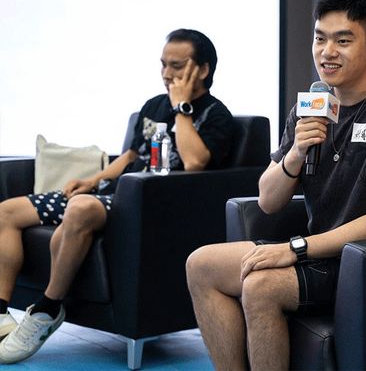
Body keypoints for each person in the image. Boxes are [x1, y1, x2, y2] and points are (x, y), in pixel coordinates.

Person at [186, 0, 366, 370]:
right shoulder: (310, 108)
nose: (327, 52)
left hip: (362, 264)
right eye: (320, 39)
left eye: (343, 41)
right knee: (201, 265)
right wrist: (297, 152)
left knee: (261, 285)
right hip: (316, 253)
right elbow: (268, 200)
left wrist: (295, 249)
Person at [0, 28, 234, 364]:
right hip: (111, 195)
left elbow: (195, 162)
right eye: (163, 64)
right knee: (8, 211)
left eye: (177, 66)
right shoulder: (153, 105)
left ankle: (47, 309)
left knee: (80, 209)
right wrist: (92, 180)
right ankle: (1, 314)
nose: (167, 74)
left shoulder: (217, 115)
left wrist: (181, 108)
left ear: (203, 69)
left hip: (146, 206)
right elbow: (130, 156)